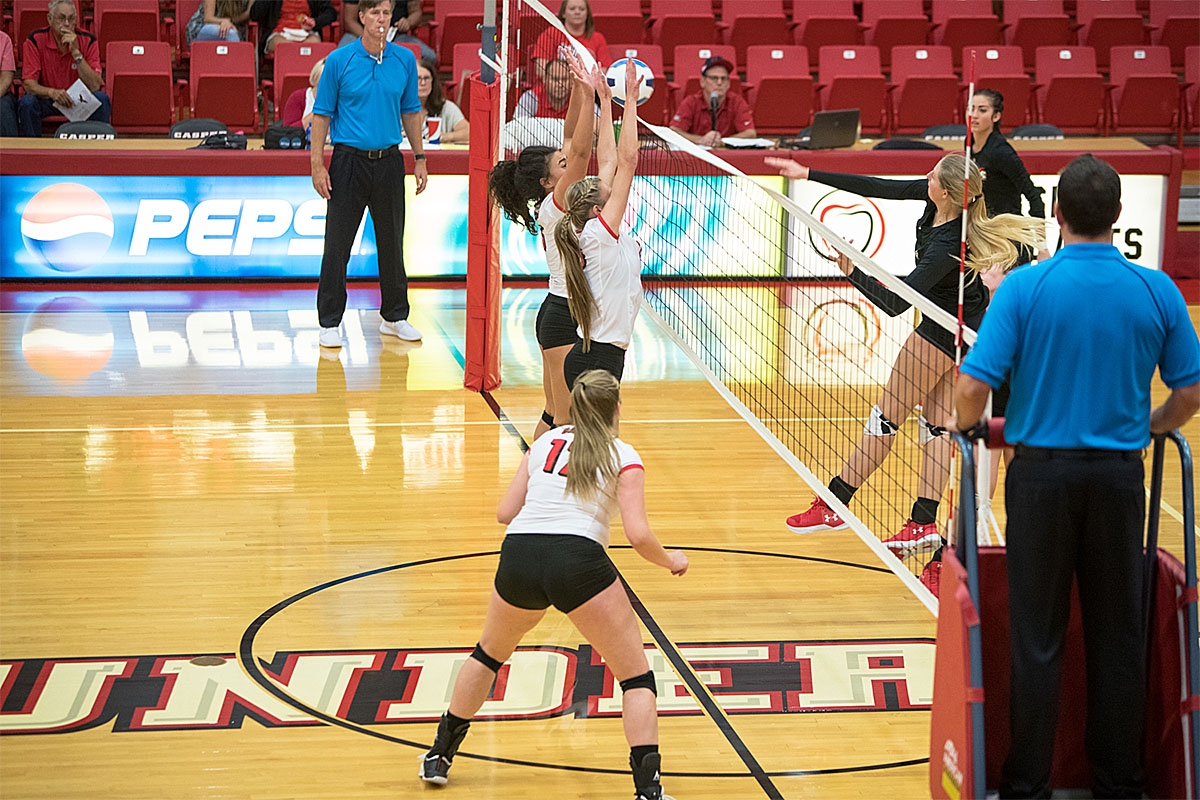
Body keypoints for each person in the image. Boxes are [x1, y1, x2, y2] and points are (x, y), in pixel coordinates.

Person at [953, 154, 1200, 800]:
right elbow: (1191, 393)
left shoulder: (1025, 290)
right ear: (1119, 217)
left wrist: (971, 425)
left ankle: (1028, 784)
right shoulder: (1157, 290)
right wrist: (1151, 425)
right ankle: (1119, 782)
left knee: (1037, 637)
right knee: (1118, 636)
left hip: (1040, 483)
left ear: (1055, 213)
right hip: (1120, 483)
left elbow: (973, 385)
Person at [763, 153, 1041, 588]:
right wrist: (809, 173)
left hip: (945, 331)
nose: (924, 178)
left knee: (886, 417)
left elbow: (895, 304)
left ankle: (836, 502)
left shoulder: (948, 243)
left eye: (931, 177)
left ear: (947, 191)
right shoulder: (938, 202)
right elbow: (880, 186)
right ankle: (923, 522)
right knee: (934, 429)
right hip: (965, 330)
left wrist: (853, 271)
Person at [418, 368, 689, 800]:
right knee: (636, 678)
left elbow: (505, 512)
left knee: (487, 655)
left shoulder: (545, 441)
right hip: (577, 561)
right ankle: (648, 791)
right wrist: (671, 560)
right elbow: (638, 535)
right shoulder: (624, 455)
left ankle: (439, 756)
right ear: (616, 408)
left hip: (520, 555)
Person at [489, 46, 614, 438]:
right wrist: (594, 94)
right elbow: (579, 147)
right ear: (548, 182)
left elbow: (568, 137)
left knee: (553, 414)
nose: (571, 163)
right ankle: (540, 492)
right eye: (562, 166)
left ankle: (525, 490)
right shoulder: (558, 203)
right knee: (564, 421)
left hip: (562, 310)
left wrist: (580, 88)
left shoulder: (557, 195)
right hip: (562, 316)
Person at [310, 0, 427, 349]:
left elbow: (411, 111)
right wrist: (317, 165)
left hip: (390, 161)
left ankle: (395, 317)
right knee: (338, 245)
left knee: (392, 243)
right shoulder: (339, 60)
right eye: (374, 12)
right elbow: (321, 115)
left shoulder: (405, 59)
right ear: (361, 17)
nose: (381, 19)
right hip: (348, 161)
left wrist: (419, 157)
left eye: (386, 13)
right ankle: (329, 322)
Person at [968, 87, 1051, 497]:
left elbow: (1034, 196)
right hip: (987, 247)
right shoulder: (970, 148)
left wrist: (1037, 246)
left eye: (982, 110)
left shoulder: (1000, 153)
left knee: (1004, 318)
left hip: (1010, 248)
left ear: (997, 116)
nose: (974, 115)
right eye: (971, 108)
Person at [557, 59, 643, 389]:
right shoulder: (598, 235)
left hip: (598, 354)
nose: (614, 190)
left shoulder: (591, 228)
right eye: (610, 193)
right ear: (597, 209)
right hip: (598, 359)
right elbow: (627, 162)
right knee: (597, 439)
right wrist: (630, 102)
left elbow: (608, 160)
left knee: (591, 439)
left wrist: (605, 102)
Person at [18, 0, 111, 137]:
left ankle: (98, 152)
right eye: (61, 18)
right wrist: (52, 93)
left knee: (101, 99)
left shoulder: (88, 40)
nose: (67, 24)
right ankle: (33, 150)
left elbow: (95, 85)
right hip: (49, 98)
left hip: (78, 100)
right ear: (50, 19)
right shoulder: (35, 39)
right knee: (27, 103)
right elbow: (29, 84)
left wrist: (76, 53)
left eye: (71, 19)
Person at [669, 55, 755, 148]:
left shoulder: (737, 102)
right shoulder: (691, 102)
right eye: (714, 78)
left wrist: (722, 141)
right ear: (702, 81)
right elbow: (673, 131)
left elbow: (750, 133)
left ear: (729, 83)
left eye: (723, 78)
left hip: (726, 154)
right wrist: (700, 140)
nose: (719, 82)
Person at [530, 0, 611, 77]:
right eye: (572, 9)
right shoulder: (550, 34)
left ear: (587, 14)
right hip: (554, 88)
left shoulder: (598, 38)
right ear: (563, 14)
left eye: (582, 9)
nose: (577, 12)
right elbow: (541, 69)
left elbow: (603, 71)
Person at [338, 0, 435, 62]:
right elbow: (350, 20)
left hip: (396, 35)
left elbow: (416, 12)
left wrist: (408, 22)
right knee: (339, 57)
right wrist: (369, 37)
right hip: (360, 34)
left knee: (428, 56)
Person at [249, 0, 336, 55]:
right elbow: (255, 15)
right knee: (281, 46)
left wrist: (315, 22)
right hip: (280, 33)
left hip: (306, 33)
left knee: (315, 44)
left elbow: (330, 13)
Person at [414, 58, 468, 145]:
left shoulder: (446, 107)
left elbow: (468, 132)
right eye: (418, 78)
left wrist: (446, 137)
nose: (423, 83)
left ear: (433, 81)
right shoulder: (395, 107)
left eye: (426, 78)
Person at [281, 56, 324, 130]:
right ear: (315, 79)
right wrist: (319, 111)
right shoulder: (298, 97)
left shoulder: (343, 98)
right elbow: (289, 131)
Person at [185, 0, 254, 44]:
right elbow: (208, 18)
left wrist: (229, 22)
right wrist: (224, 22)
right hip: (203, 26)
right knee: (230, 33)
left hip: (234, 26)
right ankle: (236, 65)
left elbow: (249, 13)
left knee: (231, 32)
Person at [0, 31, 16, 137]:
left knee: (3, 107)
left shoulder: (3, 39)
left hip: (0, 93)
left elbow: (6, 79)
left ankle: (11, 151)